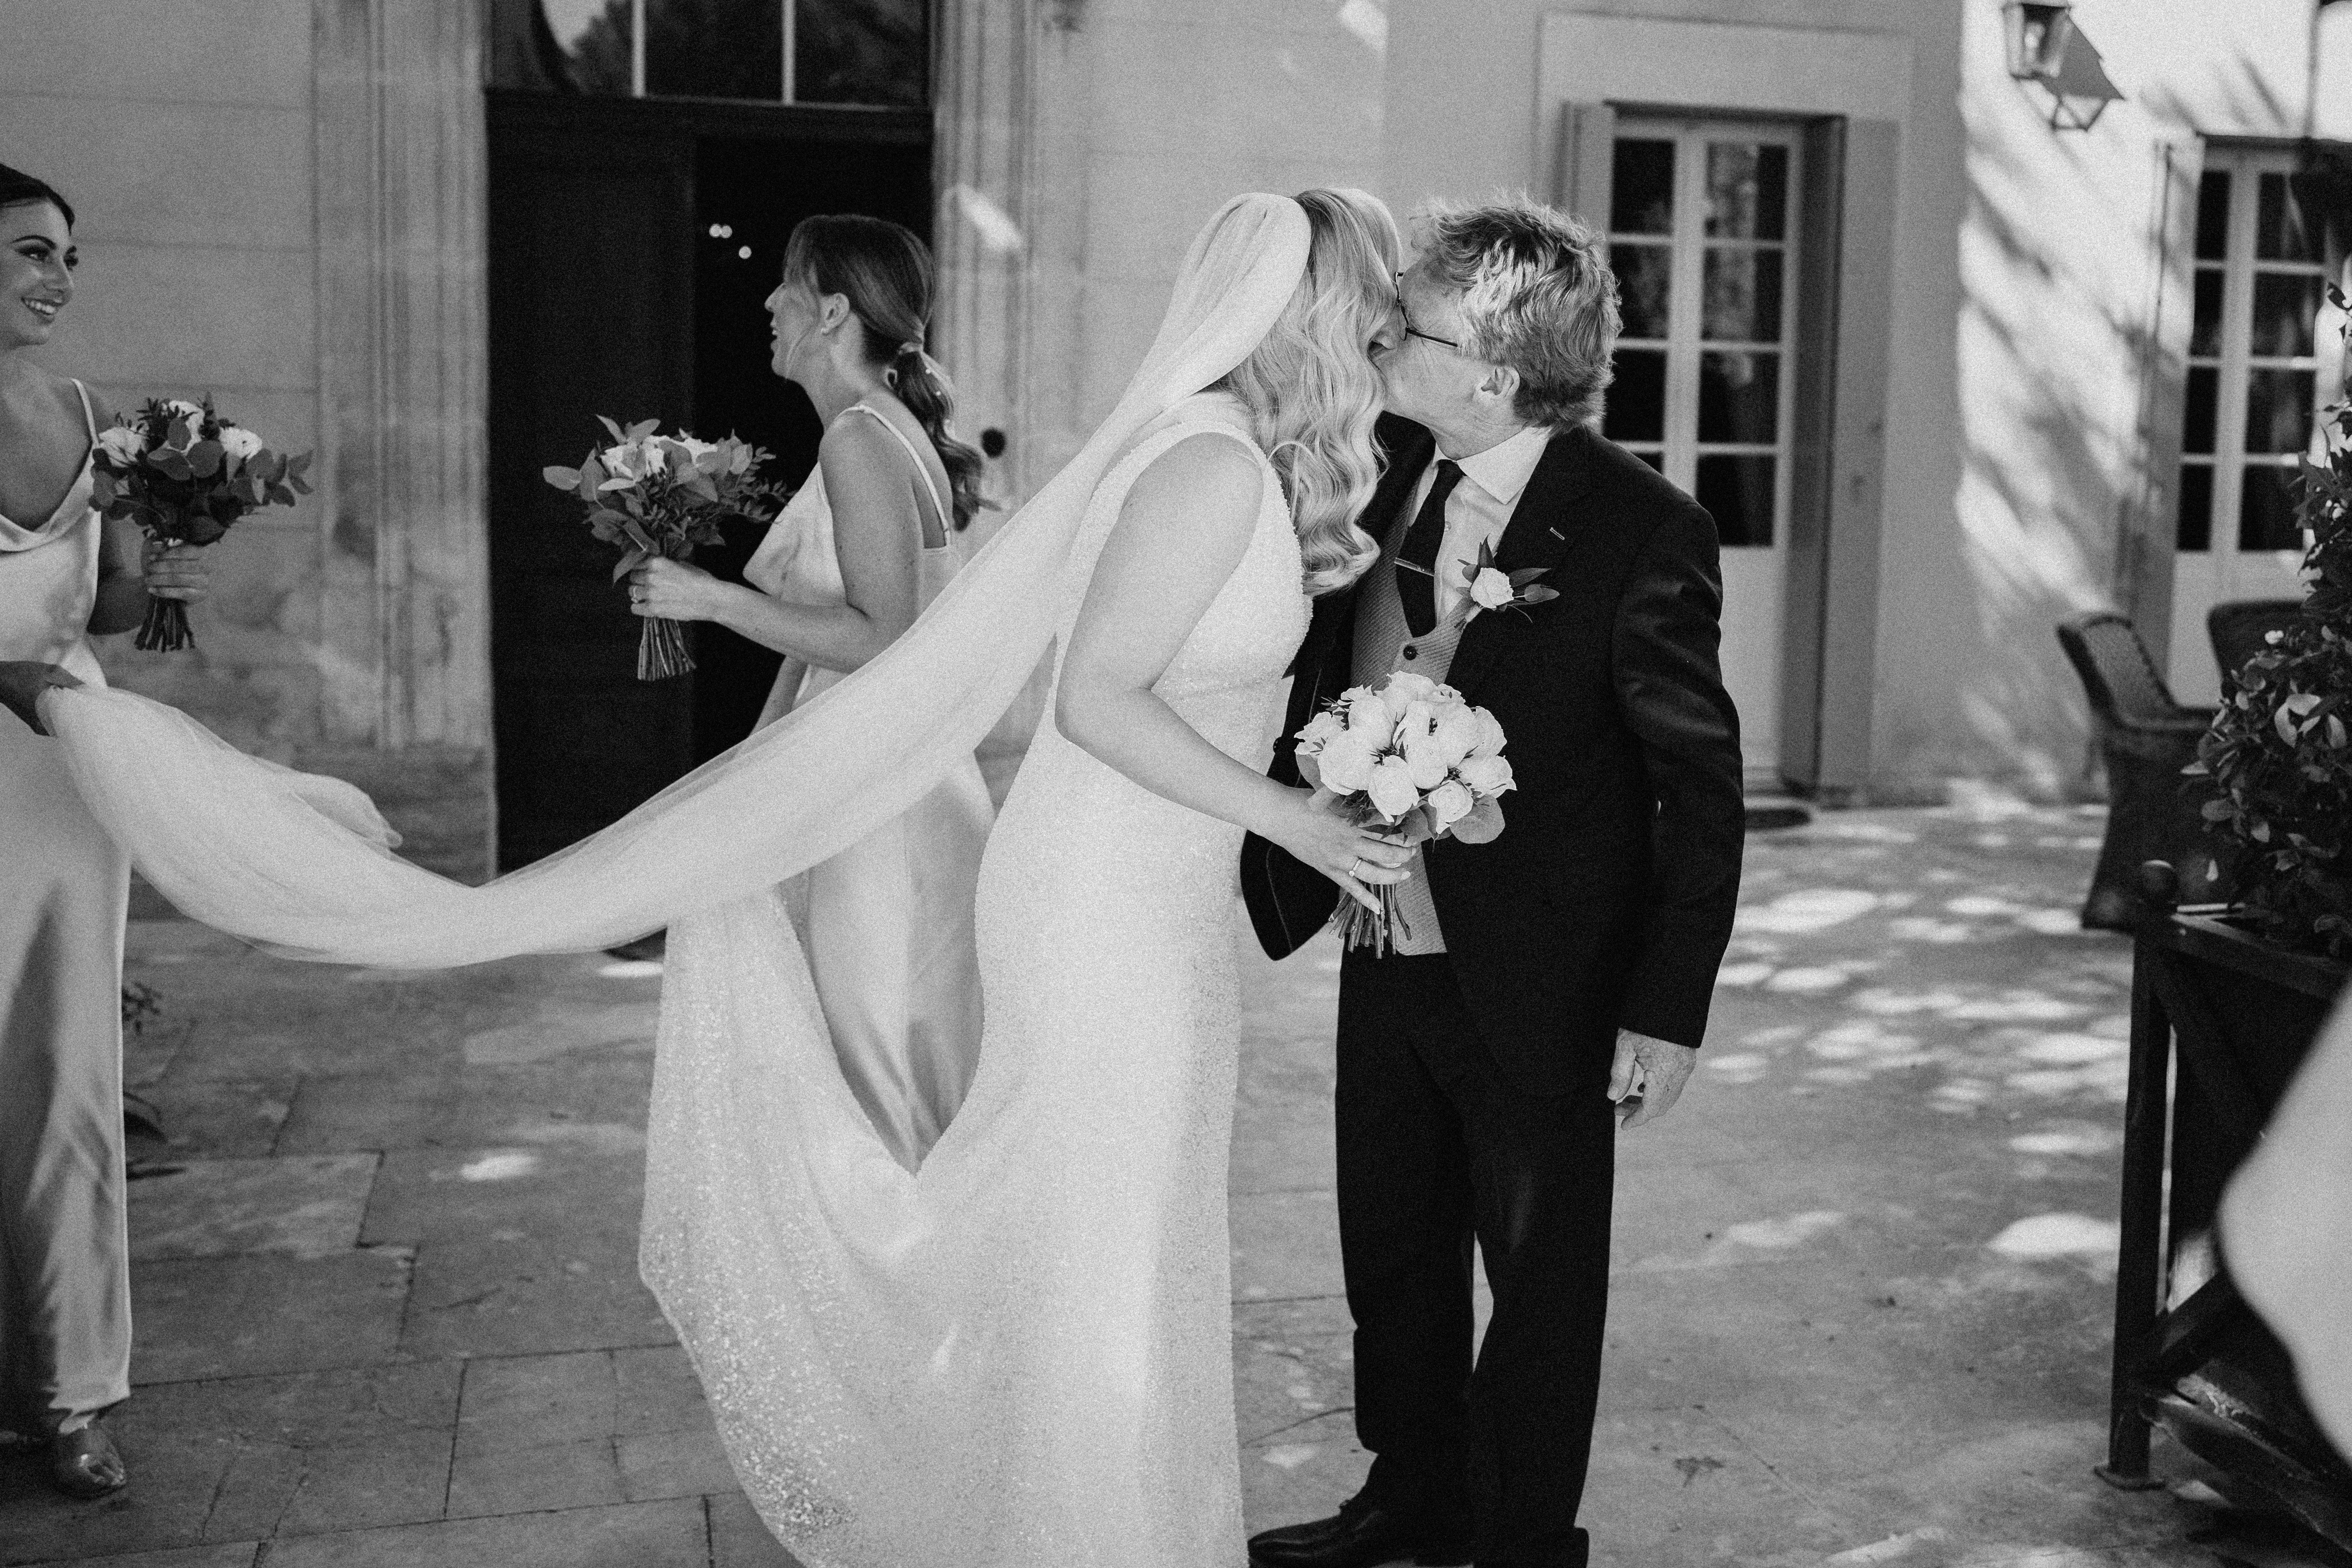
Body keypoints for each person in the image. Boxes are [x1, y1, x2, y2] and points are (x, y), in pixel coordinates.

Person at [34, 190, 1413, 1567]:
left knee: (1099, 1221)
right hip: (1110, 900)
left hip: (1133, 893)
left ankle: (1068, 1505)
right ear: (1318, 315)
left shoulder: (1206, 456)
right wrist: (1296, 820)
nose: (1390, 329)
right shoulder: (1204, 463)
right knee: (1090, 1224)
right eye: (1378, 304)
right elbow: (1098, 700)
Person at [1240, 198, 1746, 1568]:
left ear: (1495, 373)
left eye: (1410, 322)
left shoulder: (1643, 527)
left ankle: (1522, 1541)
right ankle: (1411, 1503)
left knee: (1536, 1280)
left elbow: (1696, 788)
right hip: (1374, 934)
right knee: (1387, 1248)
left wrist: (1668, 1005)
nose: (1381, 334)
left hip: (1544, 971)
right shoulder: (1387, 464)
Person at [624, 215, 994, 1171]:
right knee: (894, 1086)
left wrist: (708, 598)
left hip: (883, 813)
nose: (766, 302)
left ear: (832, 310)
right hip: (888, 790)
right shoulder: (879, 429)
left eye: (784, 283)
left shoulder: (860, 442)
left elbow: (880, 638)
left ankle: (901, 1305)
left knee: (877, 1098)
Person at [0, 162, 208, 1499]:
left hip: (71, 772)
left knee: (69, 1078)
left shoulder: (92, 416)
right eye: (29, 253)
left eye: (68, 256)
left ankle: (72, 1393)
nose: (57, 280)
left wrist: (168, 561)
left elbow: (114, 605)